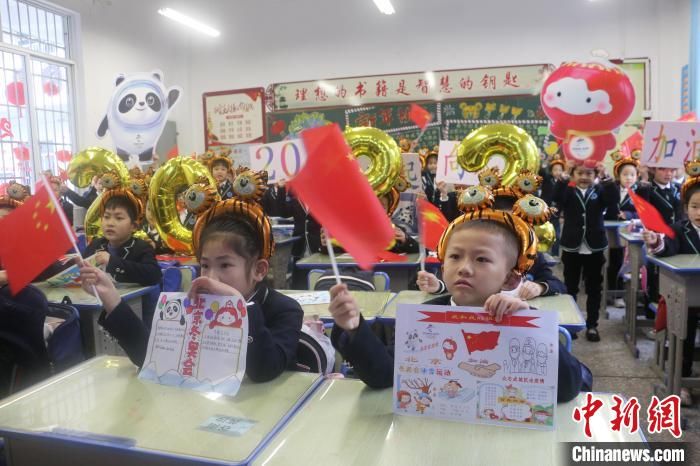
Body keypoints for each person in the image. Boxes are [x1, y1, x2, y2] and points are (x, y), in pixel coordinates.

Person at [329, 193, 586, 402]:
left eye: (482, 259)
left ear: (509, 278)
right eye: (454, 256)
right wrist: (354, 329)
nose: (464, 267)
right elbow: (384, 375)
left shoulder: (520, 319)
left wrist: (531, 328)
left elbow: (569, 387)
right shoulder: (424, 319)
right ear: (442, 266)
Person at [79, 196, 303, 382]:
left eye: (225, 265)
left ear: (259, 270)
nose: (211, 277)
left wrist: (239, 308)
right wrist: (111, 298)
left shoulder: (285, 310)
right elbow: (154, 358)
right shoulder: (196, 305)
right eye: (205, 265)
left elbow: (265, 371)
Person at [642, 171, 700, 406]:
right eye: (695, 206)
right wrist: (656, 242)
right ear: (686, 208)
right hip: (687, 296)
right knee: (684, 332)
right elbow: (668, 246)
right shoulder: (678, 229)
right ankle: (682, 381)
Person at [552, 163, 619, 342]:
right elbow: (556, 197)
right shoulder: (568, 191)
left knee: (594, 288)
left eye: (589, 173)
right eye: (579, 173)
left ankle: (592, 325)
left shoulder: (600, 191)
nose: (584, 176)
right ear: (572, 174)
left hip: (595, 246)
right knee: (570, 287)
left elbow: (613, 201)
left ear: (595, 175)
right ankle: (571, 325)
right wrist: (563, 179)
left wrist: (607, 179)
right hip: (571, 245)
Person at [83, 189, 161, 286]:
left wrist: (111, 262)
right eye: (106, 217)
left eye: (118, 218)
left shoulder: (142, 248)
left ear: (134, 226)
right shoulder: (96, 244)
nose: (110, 223)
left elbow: (154, 274)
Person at [604, 152, 646, 308]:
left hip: (631, 234)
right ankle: (612, 293)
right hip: (613, 234)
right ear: (618, 176)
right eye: (625, 174)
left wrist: (627, 214)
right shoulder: (612, 190)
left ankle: (624, 295)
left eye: (632, 174)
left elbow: (643, 212)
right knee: (613, 262)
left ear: (637, 176)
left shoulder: (640, 191)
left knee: (627, 264)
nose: (628, 177)